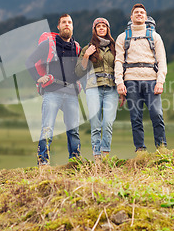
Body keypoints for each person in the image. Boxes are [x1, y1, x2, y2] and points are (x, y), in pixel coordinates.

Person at [25, 14, 81, 166]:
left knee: (73, 129)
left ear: (72, 26)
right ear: (58, 26)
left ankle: (75, 161)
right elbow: (29, 61)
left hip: (71, 93)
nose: (67, 25)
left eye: (69, 22)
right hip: (52, 91)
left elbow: (77, 70)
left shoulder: (76, 47)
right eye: (64, 22)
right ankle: (43, 162)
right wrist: (37, 78)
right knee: (47, 127)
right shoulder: (49, 44)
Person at [115, 3, 167, 152]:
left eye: (142, 13)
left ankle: (161, 149)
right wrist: (119, 82)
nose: (139, 14)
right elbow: (119, 61)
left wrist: (160, 81)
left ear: (146, 17)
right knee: (135, 117)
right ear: (131, 17)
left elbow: (162, 60)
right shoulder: (123, 37)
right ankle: (140, 150)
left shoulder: (154, 36)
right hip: (131, 81)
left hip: (152, 80)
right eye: (136, 12)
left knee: (157, 114)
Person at [76, 18, 118, 162]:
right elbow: (78, 71)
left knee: (107, 123)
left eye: (104, 26)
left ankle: (105, 154)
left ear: (108, 29)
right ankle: (97, 158)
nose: (101, 28)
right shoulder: (87, 48)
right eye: (98, 26)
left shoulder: (115, 47)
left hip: (112, 88)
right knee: (95, 124)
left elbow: (120, 68)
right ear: (94, 30)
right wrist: (87, 55)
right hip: (93, 88)